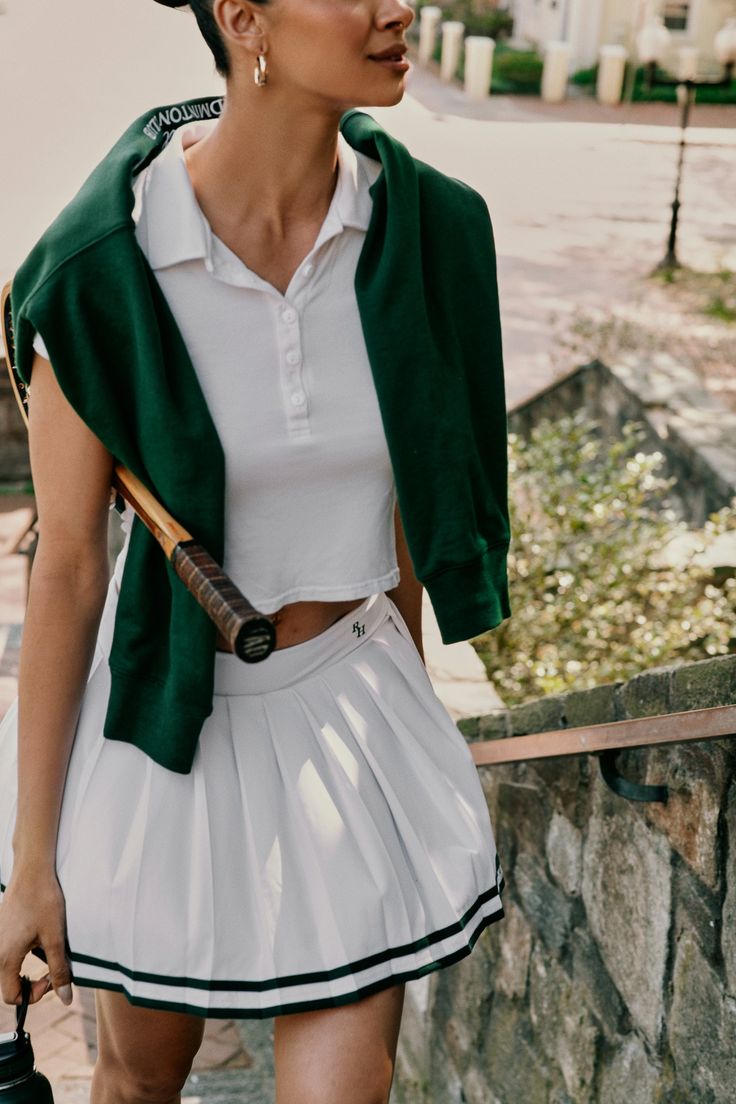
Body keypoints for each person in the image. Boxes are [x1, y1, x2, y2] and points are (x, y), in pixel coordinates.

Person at [0, 1, 511, 1101]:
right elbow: (72, 569)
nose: (397, 9)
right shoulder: (101, 269)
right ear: (244, 20)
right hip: (165, 724)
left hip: (352, 709)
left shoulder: (429, 235)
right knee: (141, 1080)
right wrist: (31, 864)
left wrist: (410, 713)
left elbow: (415, 516)